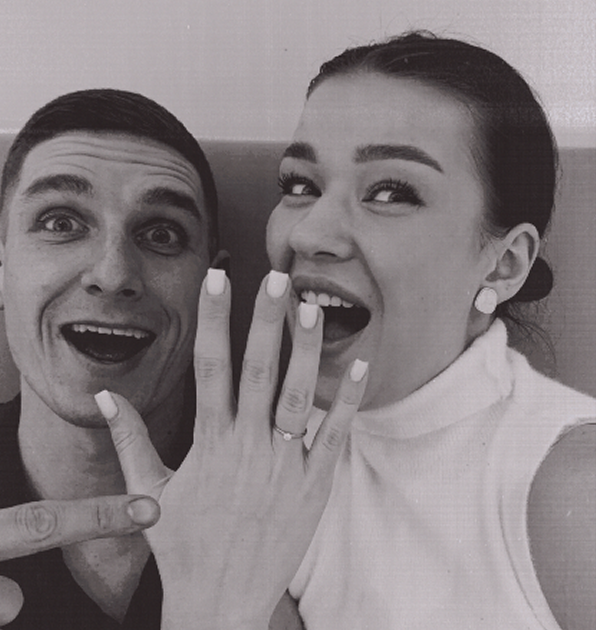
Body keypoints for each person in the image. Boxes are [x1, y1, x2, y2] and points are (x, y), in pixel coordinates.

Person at [102, 32, 596, 630]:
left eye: (390, 193)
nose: (307, 233)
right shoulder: (265, 473)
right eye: (300, 186)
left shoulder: (573, 487)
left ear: (504, 264)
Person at [0, 88, 225, 629]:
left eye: (161, 234)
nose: (113, 275)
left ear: (215, 287)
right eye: (61, 223)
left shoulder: (301, 499)